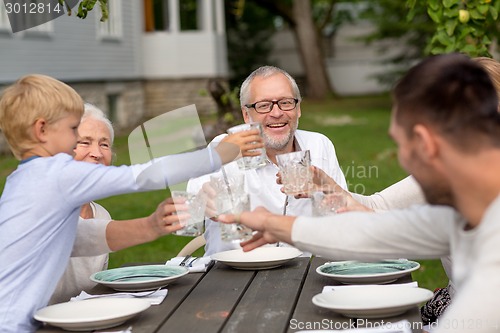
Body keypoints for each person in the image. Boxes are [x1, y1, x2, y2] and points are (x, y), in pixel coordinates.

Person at [219, 53, 500, 333]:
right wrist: (275, 223)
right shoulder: (457, 210)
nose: (402, 161)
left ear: (429, 145)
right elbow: (374, 231)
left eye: (401, 143)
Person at [0, 74, 263, 332]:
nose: (74, 141)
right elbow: (145, 175)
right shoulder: (57, 173)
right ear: (41, 129)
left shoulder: (23, 180)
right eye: (72, 130)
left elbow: (76, 236)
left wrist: (150, 226)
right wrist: (216, 155)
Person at [187, 65, 347, 256]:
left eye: (286, 102)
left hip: (304, 272)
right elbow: (190, 209)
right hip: (235, 271)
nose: (277, 113)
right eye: (263, 105)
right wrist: (204, 201)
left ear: (298, 109)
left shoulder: (319, 145)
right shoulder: (225, 147)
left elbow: (343, 216)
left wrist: (331, 198)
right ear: (247, 115)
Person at [49, 103, 188, 304]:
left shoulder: (101, 215)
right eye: (84, 142)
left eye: (104, 144)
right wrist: (151, 226)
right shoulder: (44, 210)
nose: (97, 153)